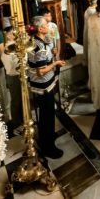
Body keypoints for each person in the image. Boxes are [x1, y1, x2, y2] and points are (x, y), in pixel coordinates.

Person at [28, 16, 66, 158]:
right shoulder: (39, 47)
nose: (49, 26)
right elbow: (41, 71)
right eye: (46, 24)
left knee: (47, 113)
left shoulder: (38, 40)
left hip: (45, 83)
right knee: (47, 115)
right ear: (40, 28)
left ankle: (48, 136)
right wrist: (56, 63)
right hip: (43, 85)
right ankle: (48, 147)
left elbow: (49, 44)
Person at [1, 27, 23, 134]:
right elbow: (9, 67)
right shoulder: (7, 49)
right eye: (13, 33)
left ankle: (22, 121)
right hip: (13, 76)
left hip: (19, 74)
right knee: (16, 101)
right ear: (8, 35)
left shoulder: (15, 45)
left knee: (22, 99)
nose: (15, 34)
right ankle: (16, 125)